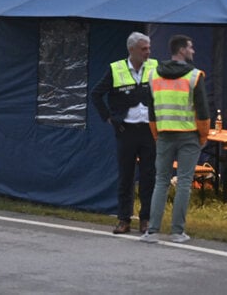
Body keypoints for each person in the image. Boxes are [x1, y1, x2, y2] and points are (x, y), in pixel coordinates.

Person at [140, 34, 210, 244]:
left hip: (163, 134)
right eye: (190, 47)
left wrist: (157, 134)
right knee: (184, 183)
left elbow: (151, 111)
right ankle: (177, 232)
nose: (193, 51)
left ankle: (152, 231)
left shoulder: (153, 75)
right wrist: (203, 135)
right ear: (181, 50)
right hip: (188, 135)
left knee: (160, 182)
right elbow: (203, 111)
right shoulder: (194, 76)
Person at [90, 31, 158, 235]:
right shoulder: (116, 69)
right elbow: (96, 94)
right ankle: (123, 219)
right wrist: (109, 117)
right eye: (143, 49)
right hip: (126, 129)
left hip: (149, 129)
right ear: (132, 50)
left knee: (148, 176)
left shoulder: (155, 67)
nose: (148, 52)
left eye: (149, 48)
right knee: (126, 176)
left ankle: (145, 219)